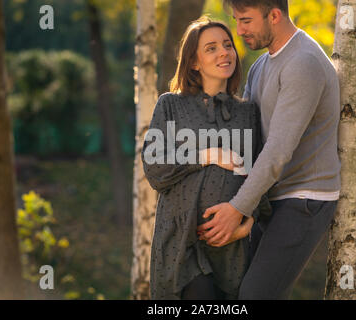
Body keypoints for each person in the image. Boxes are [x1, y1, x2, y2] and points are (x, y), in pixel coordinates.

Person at [197, 0, 341, 299]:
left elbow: (277, 151)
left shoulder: (303, 62)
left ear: (274, 15)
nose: (239, 30)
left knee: (255, 295)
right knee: (229, 291)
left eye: (246, 20)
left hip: (304, 199)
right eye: (236, 20)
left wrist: (237, 209)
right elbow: (249, 141)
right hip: (270, 196)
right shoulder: (262, 65)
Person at [141, 17, 271, 300]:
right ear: (194, 62)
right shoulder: (170, 105)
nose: (224, 52)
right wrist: (206, 155)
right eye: (211, 48)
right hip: (181, 243)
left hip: (229, 248)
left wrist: (248, 221)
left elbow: (259, 176)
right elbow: (154, 167)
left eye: (227, 45)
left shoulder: (247, 113)